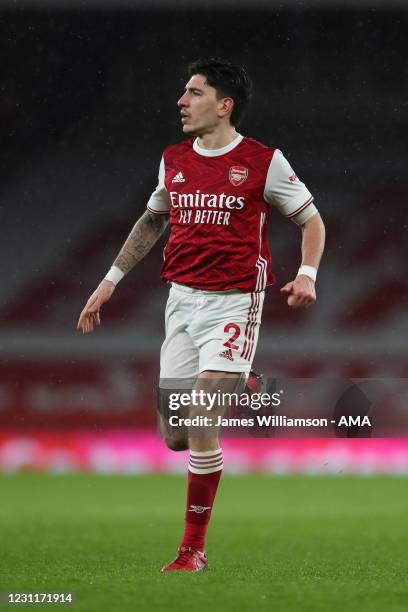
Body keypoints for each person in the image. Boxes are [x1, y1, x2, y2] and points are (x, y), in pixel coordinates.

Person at [77, 58, 325, 573]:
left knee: (205, 410)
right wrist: (109, 281)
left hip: (236, 301)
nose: (181, 102)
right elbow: (152, 220)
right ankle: (241, 375)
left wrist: (307, 275)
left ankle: (192, 549)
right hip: (181, 303)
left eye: (193, 93)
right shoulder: (173, 159)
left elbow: (312, 221)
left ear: (224, 104)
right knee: (175, 434)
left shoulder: (263, 161)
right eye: (183, 93)